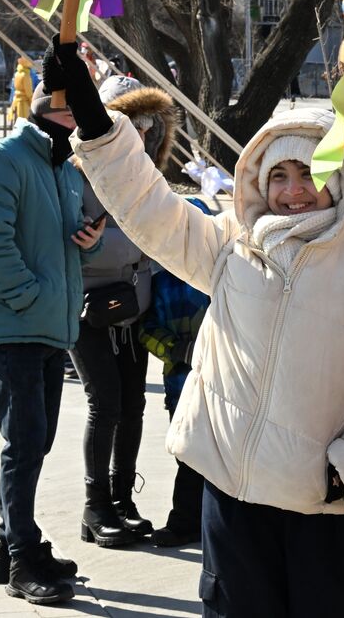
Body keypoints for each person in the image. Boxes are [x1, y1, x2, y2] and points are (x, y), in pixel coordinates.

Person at [50, 43, 344, 617]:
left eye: (310, 173)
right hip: (231, 500)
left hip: (322, 511)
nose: (293, 189)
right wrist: (93, 115)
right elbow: (148, 206)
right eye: (278, 175)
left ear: (341, 179)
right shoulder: (230, 246)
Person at [0, 77, 104, 605]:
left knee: (35, 442)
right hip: (16, 325)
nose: (87, 124)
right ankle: (22, 555)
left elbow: (62, 249)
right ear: (58, 112)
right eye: (79, 113)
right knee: (23, 445)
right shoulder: (1, 159)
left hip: (50, 324)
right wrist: (25, 295)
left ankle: (11, 546)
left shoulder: (64, 169)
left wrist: (85, 247)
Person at [70, 76, 176, 548]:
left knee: (134, 404)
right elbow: (64, 242)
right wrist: (109, 243)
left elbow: (163, 236)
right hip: (88, 308)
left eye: (151, 124)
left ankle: (121, 499)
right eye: (131, 122)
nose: (143, 132)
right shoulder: (75, 172)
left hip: (135, 308)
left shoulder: (150, 175)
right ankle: (95, 507)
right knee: (105, 403)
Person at [138, 195, 212, 547]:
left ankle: (211, 522)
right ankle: (185, 521)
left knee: (220, 456)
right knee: (188, 454)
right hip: (181, 384)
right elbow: (145, 328)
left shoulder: (222, 270)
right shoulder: (159, 278)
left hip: (223, 382)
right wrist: (176, 348)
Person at [9, 57, 33, 123]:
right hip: (24, 103)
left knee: (16, 121)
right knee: (24, 122)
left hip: (16, 100)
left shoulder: (17, 74)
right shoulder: (25, 75)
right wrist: (32, 101)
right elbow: (28, 92)